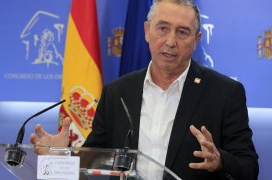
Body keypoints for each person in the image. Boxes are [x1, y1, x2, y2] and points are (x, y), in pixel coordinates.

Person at [30, 0, 259, 179]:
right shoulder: (117, 92)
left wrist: (220, 161)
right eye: (163, 29)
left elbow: (249, 168)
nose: (170, 41)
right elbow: (94, 162)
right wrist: (62, 156)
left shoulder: (225, 93)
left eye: (182, 32)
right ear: (147, 31)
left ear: (196, 39)